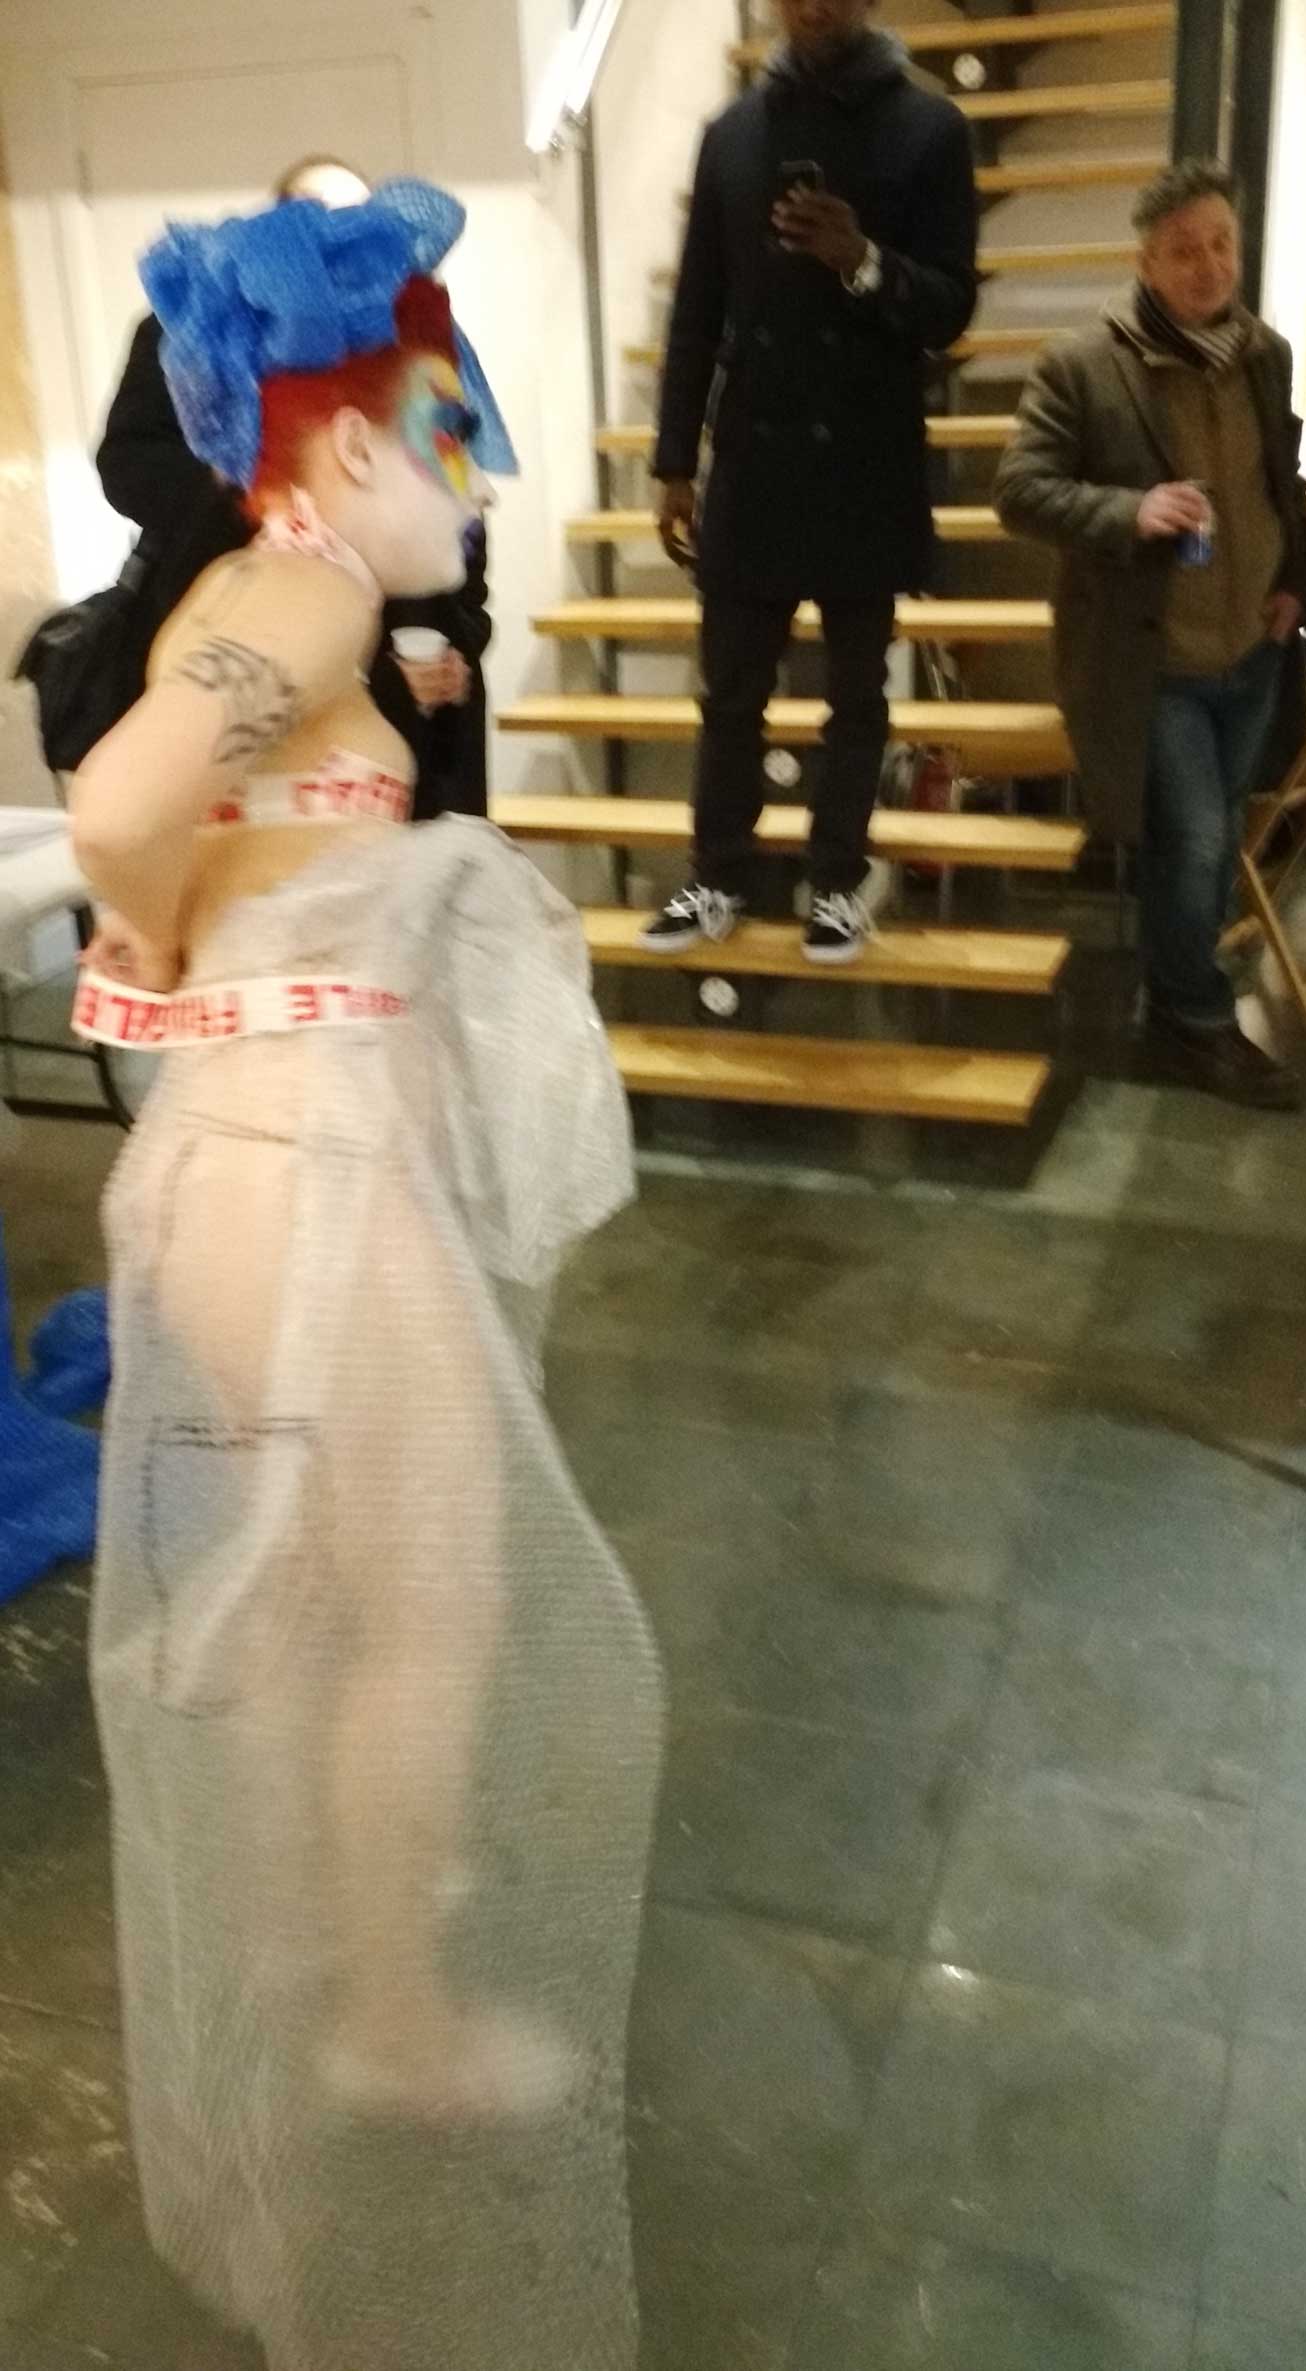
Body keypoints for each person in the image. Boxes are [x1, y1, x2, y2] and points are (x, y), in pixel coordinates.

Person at [70, 180, 661, 2371]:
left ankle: (338, 1935)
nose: (477, 467)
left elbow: (180, 819)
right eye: (451, 422)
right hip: (294, 1162)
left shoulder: (276, 595)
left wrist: (174, 925)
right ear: (338, 443)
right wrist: (150, 920)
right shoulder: (304, 592)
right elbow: (122, 800)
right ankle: (388, 2015)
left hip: (278, 1148)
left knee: (343, 1591)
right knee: (435, 1593)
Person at [641, 0, 978, 965]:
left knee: (857, 697)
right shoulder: (732, 135)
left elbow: (951, 307)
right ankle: (718, 873)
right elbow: (696, 306)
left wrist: (862, 261)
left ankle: (835, 884)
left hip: (866, 454)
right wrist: (674, 460)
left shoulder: (930, 128)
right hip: (754, 454)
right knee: (731, 692)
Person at [995, 159, 1306, 1109]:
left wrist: (1297, 580)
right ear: (1145, 262)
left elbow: (1281, 482)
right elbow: (1019, 490)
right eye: (1185, 250)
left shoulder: (1263, 352)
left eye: (1222, 243)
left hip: (1251, 648)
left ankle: (1176, 988)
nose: (1209, 264)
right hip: (1154, 661)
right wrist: (1128, 510)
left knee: (1213, 842)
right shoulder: (1082, 365)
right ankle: (1194, 1019)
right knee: (1197, 837)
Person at [96, 154, 494, 817]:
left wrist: (458, 640)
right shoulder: (194, 334)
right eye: (320, 222)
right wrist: (264, 481)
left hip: (400, 674)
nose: (346, 242)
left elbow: (446, 481)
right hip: (251, 602)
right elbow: (129, 465)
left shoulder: (407, 340)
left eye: (361, 224)